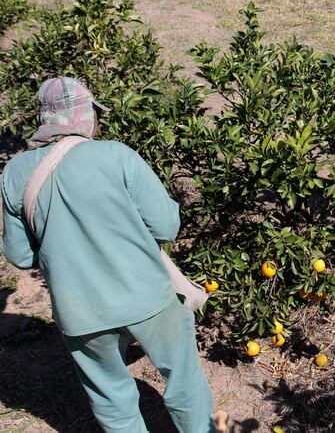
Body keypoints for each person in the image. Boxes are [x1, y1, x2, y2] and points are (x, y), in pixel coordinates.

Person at [2, 77, 215, 433]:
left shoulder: (14, 174)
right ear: (86, 115)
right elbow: (166, 226)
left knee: (111, 398)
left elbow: (20, 256)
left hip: (79, 312)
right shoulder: (117, 155)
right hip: (149, 298)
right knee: (184, 381)